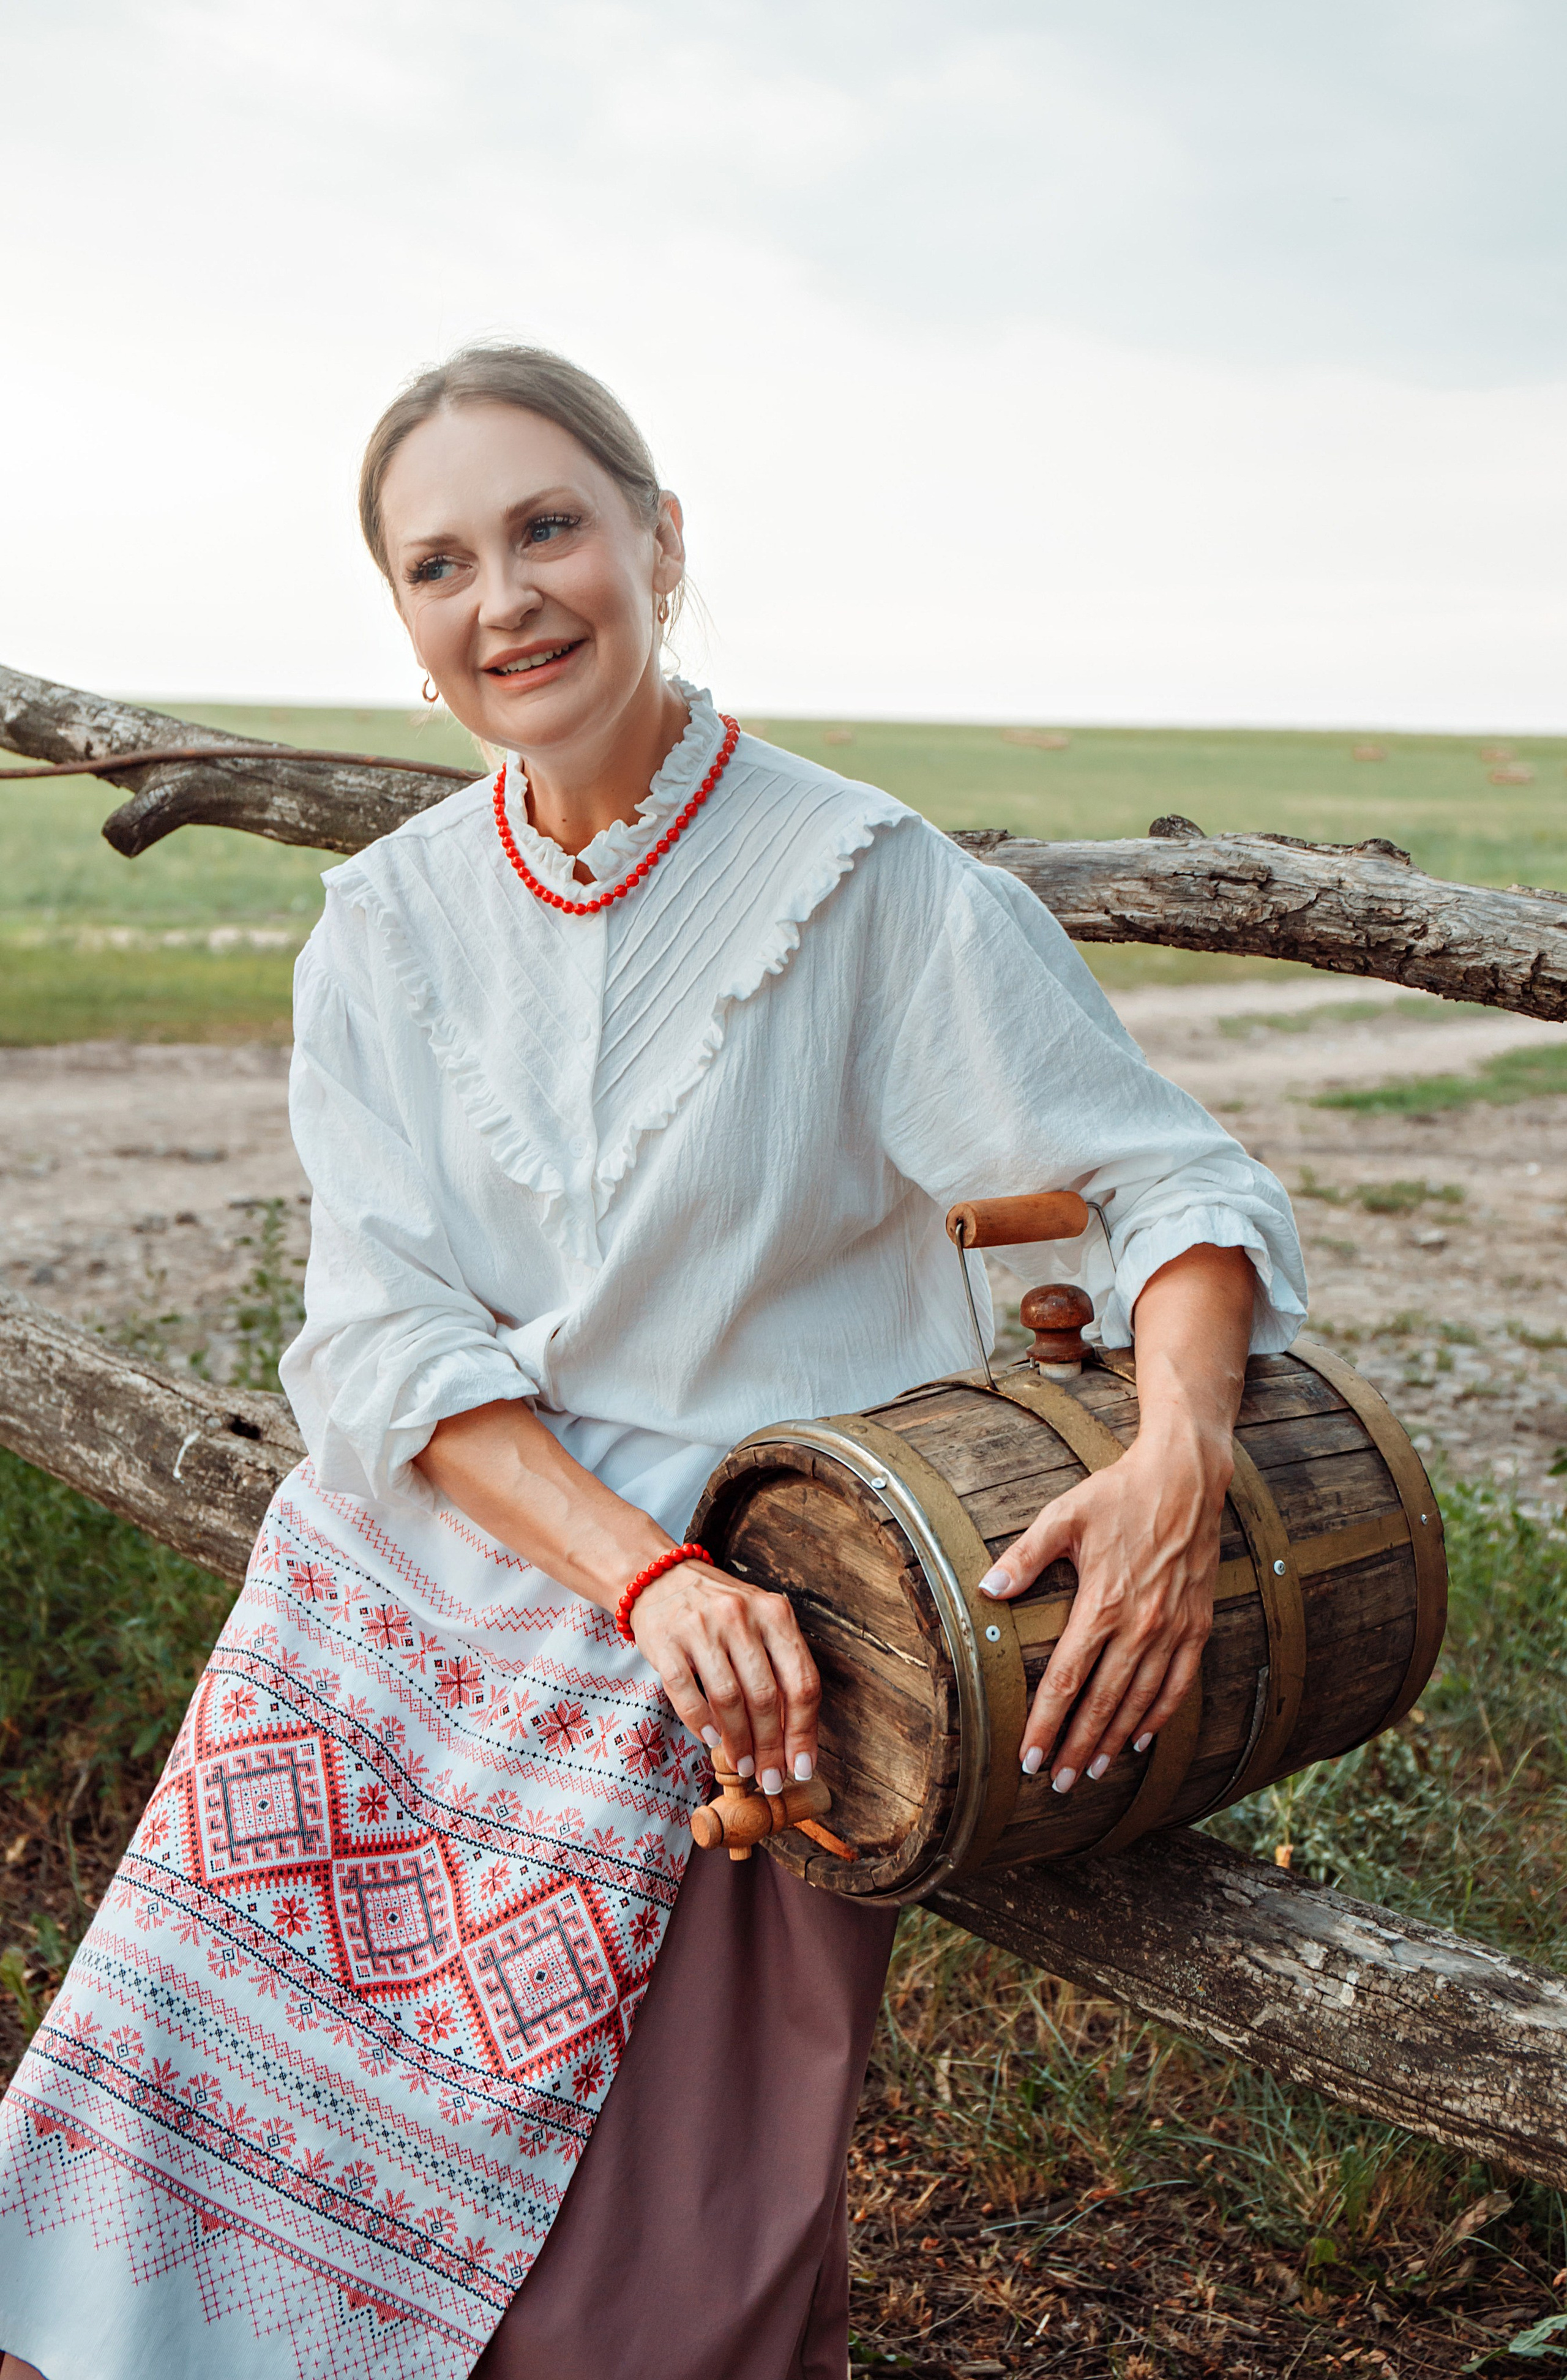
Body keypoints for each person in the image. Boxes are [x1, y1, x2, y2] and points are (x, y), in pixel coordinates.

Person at [0, 345, 1305, 2380]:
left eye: (546, 529)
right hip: (436, 1575)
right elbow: (385, 1338)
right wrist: (639, 1572)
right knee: (160, 2144)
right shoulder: (381, 926)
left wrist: (1179, 1443)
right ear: (409, 629)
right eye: (440, 565)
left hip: (764, 1607)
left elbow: (1168, 1182)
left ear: (658, 543)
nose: (503, 598)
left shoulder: (864, 888)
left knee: (654, 2271)